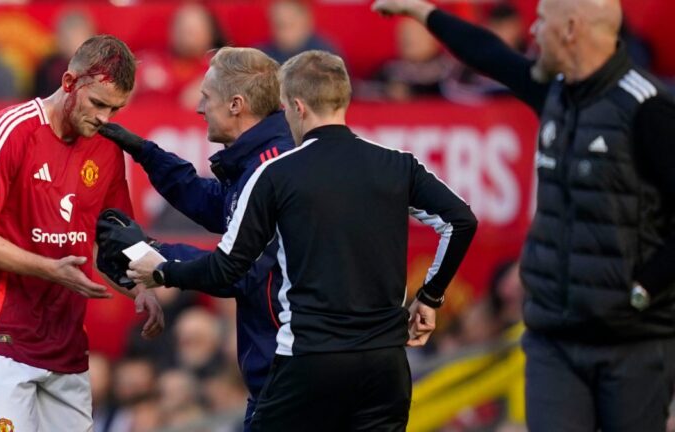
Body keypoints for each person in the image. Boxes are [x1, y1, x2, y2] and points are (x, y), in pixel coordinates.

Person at [127, 50, 477, 431]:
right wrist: (430, 296)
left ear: (297, 107)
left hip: (311, 360)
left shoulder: (276, 175)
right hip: (385, 365)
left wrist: (161, 271)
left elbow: (227, 268)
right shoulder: (397, 164)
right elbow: (461, 222)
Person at [372, 0, 675, 430]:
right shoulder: (553, 90)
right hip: (553, 336)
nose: (533, 30)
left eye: (542, 20)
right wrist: (423, 13)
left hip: (631, 343)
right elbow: (490, 54)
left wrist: (644, 289)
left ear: (571, 28)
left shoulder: (649, 108)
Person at [0, 35, 163, 432]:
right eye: (98, 103)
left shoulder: (107, 150)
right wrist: (50, 269)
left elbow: (109, 243)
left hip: (65, 348)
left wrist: (141, 289)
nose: (105, 118)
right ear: (68, 83)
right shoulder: (8, 130)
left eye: (115, 109)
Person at [98, 46, 294, 430]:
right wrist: (147, 154)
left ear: (236, 104)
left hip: (287, 377)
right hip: (280, 374)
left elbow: (241, 268)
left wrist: (154, 254)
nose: (199, 108)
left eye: (207, 97)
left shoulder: (270, 171)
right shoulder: (261, 162)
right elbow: (218, 205)